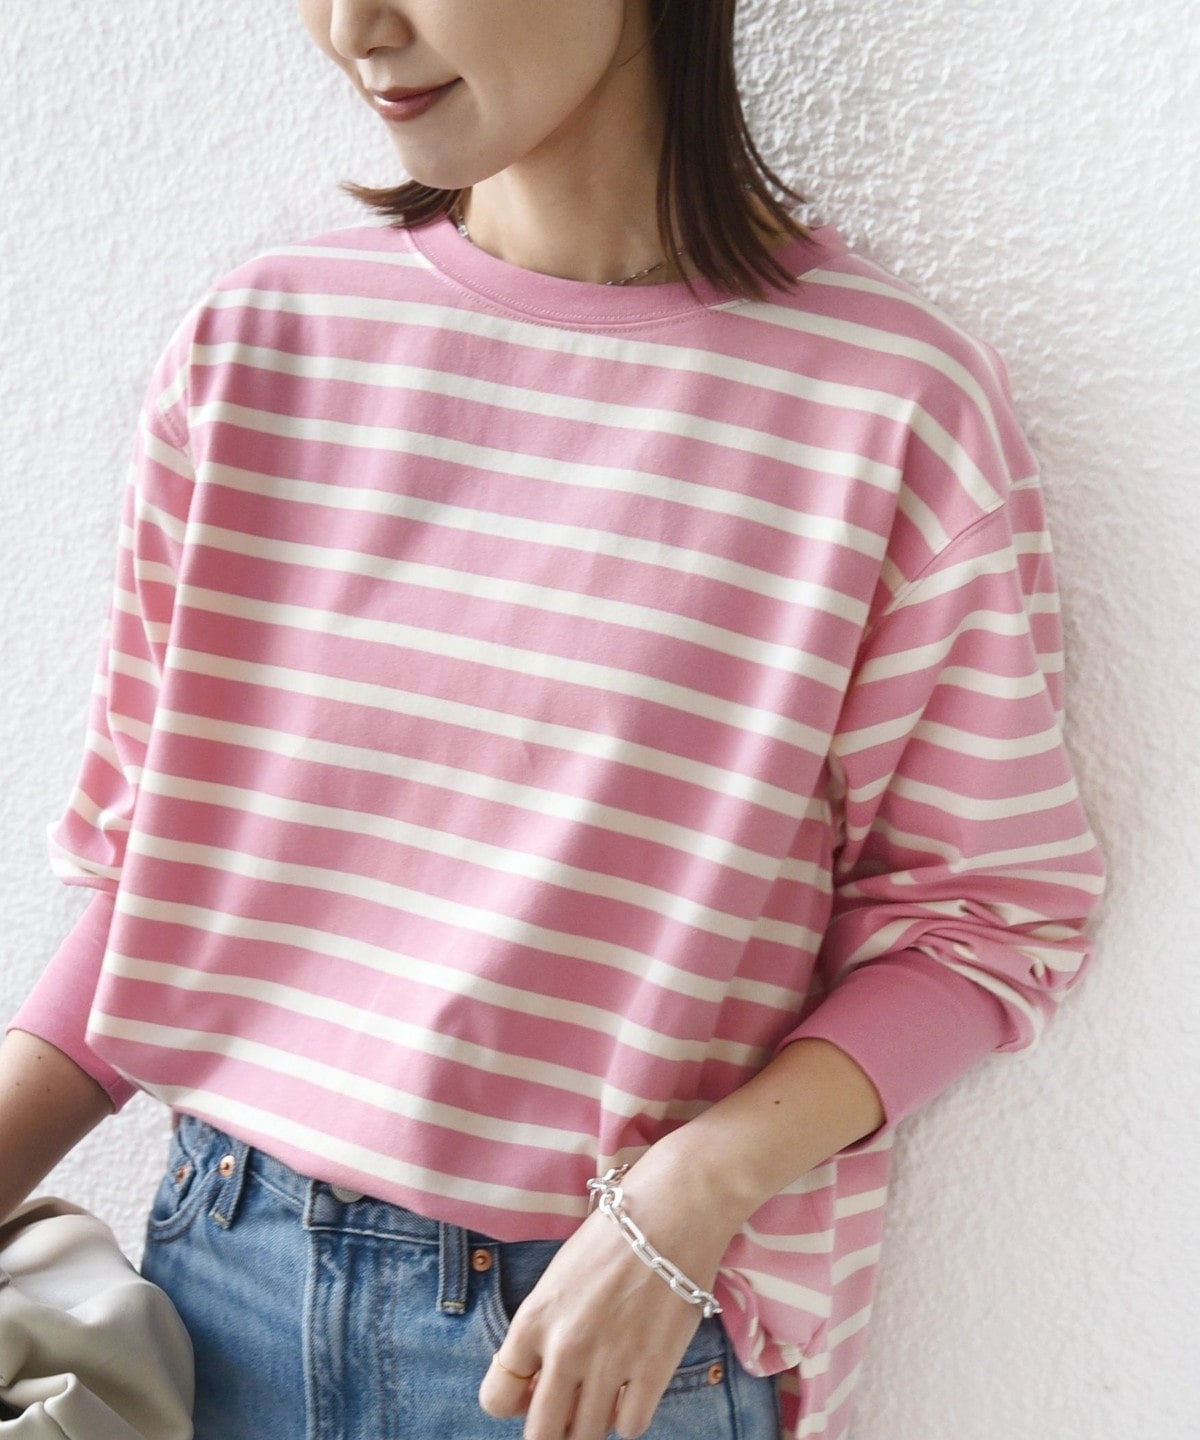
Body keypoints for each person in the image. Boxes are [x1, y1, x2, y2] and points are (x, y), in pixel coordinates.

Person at [0, 2, 1104, 1438]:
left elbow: (985, 917)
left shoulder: (889, 406)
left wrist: (691, 1194)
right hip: (216, 1290)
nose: (353, 27)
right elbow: (165, 880)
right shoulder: (259, 347)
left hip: (598, 1342)